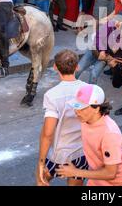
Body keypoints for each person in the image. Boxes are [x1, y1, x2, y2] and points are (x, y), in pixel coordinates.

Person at [57, 84, 122, 186]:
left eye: (81, 108)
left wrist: (74, 172)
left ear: (96, 108)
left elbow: (111, 173)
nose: (76, 111)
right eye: (76, 106)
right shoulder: (85, 119)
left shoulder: (109, 134)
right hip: (96, 181)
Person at [36, 50, 88, 186]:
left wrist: (41, 162)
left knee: (42, 181)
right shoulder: (88, 89)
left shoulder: (52, 95)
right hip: (82, 152)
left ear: (55, 67)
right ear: (77, 67)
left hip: (58, 155)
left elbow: (47, 134)